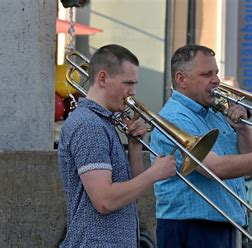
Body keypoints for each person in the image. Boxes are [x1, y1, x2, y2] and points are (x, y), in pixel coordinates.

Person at [150, 44, 252, 248]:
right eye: (206, 74)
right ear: (181, 79)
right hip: (190, 226)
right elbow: (215, 168)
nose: (216, 80)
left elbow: (251, 168)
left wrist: (242, 130)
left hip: (224, 223)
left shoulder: (214, 111)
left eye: (216, 73)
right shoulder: (175, 118)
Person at [58, 44, 177, 247]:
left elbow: (131, 191)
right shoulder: (89, 125)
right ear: (103, 78)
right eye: (128, 83)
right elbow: (104, 201)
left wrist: (135, 146)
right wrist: (155, 173)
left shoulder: (104, 122)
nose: (133, 92)